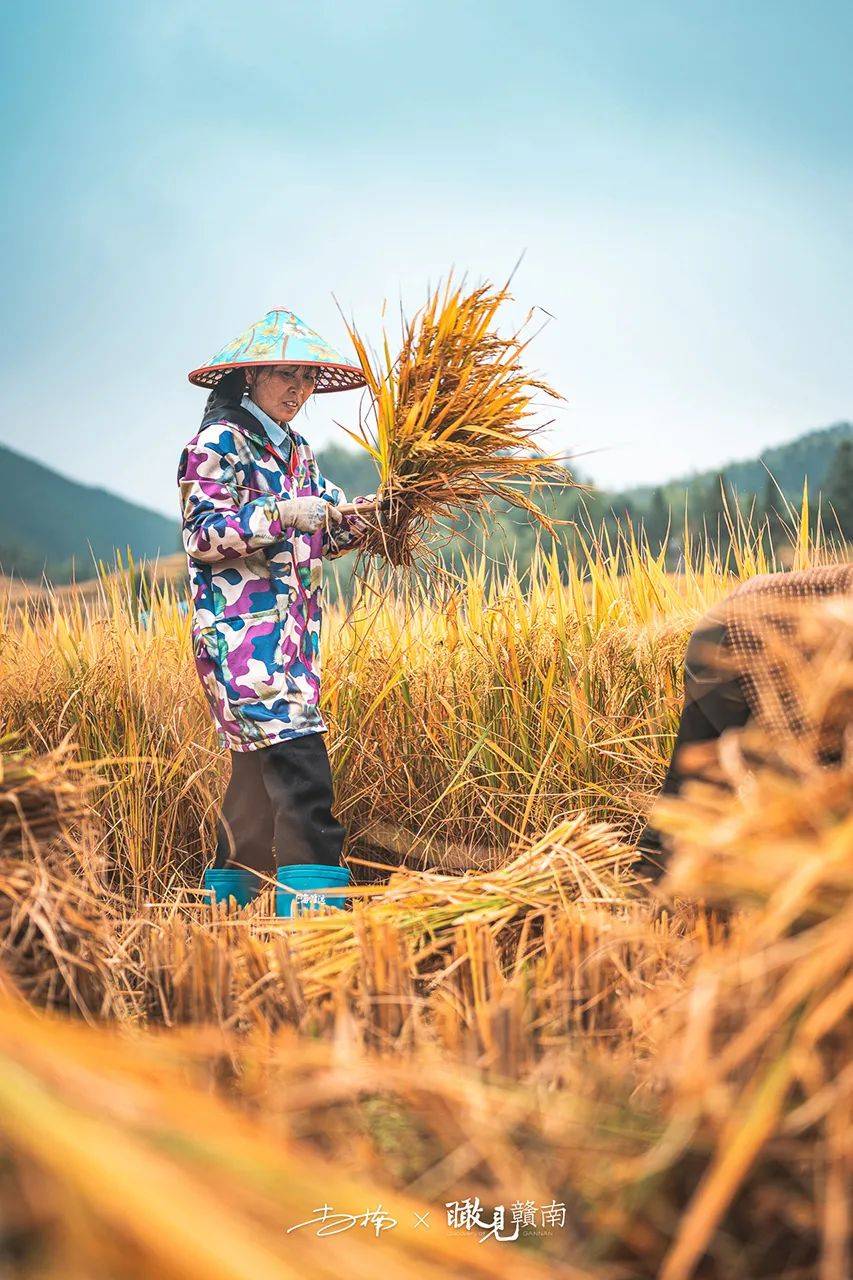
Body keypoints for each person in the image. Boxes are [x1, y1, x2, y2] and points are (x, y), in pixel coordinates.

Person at [178, 308, 379, 916]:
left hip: (292, 644)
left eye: (308, 377)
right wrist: (280, 514)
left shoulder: (298, 452)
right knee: (301, 771)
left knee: (253, 792)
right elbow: (203, 534)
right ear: (249, 379)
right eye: (285, 375)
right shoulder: (217, 444)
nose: (299, 388)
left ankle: (226, 912)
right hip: (242, 641)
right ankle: (317, 918)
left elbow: (330, 528)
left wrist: (379, 515)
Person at [636, 562, 852, 881]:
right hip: (738, 642)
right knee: (799, 789)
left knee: (688, 794)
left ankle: (650, 880)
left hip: (727, 629)